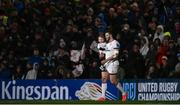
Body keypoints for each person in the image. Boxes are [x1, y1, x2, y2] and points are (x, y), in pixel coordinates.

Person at [98, 32, 127, 101]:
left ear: (110, 35)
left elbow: (115, 55)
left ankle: (124, 93)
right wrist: (101, 55)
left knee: (113, 81)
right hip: (106, 64)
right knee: (103, 78)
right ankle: (103, 97)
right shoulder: (106, 44)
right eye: (105, 35)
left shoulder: (116, 43)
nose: (106, 36)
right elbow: (103, 54)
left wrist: (106, 60)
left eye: (107, 35)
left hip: (113, 63)